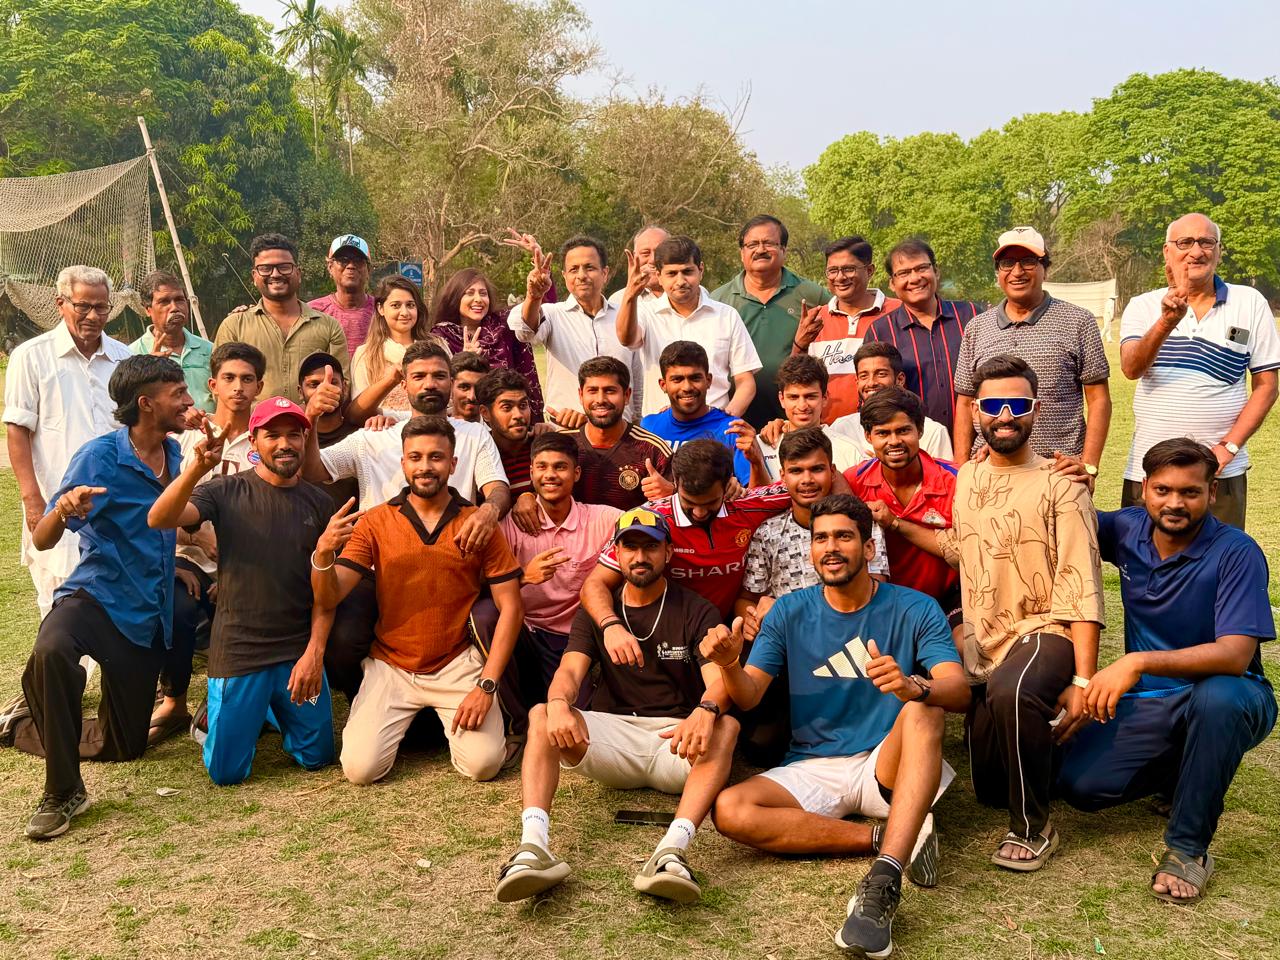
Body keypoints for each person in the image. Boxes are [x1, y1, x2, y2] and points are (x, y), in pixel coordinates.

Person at [706, 494, 969, 958]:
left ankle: (884, 880)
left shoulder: (916, 608)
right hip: (813, 762)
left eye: (844, 537)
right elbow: (748, 694)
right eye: (821, 538)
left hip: (886, 763)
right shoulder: (789, 611)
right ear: (810, 549)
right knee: (730, 809)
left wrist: (915, 686)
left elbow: (959, 691)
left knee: (924, 710)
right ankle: (891, 835)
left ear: (869, 549)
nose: (831, 547)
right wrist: (730, 666)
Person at [1057, 439, 1276, 903]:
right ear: (1143, 491)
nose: (1175, 503)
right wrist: (1054, 476)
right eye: (1162, 489)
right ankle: (1185, 768)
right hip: (1153, 701)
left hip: (1234, 695)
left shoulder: (1237, 552)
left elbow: (1235, 655)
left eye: (1190, 492)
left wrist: (1136, 661)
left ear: (1212, 492)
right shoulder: (1127, 529)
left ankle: (1188, 849)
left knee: (1217, 698)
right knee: (1081, 787)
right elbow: (1060, 523)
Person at [495, 508, 736, 905]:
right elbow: (570, 672)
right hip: (613, 738)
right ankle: (532, 849)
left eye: (650, 547)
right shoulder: (596, 613)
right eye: (630, 547)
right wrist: (557, 702)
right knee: (542, 713)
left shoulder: (696, 609)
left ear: (668, 553)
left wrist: (705, 710)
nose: (640, 557)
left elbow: (717, 682)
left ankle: (671, 853)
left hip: (675, 741)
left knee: (727, 727)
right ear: (616, 554)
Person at [2, 356, 189, 840]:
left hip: (147, 611)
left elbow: (174, 522)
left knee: (123, 745)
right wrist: (61, 510)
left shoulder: (176, 454)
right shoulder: (100, 456)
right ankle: (63, 791)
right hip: (97, 593)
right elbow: (43, 539)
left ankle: (19, 725)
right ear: (147, 404)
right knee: (52, 649)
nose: (188, 400)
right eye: (177, 393)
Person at [942, 354, 1104, 871]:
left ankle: (1034, 828)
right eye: (993, 404)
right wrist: (898, 527)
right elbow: (964, 547)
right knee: (989, 786)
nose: (1005, 415)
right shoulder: (966, 477)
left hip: (1046, 627)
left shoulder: (1063, 481)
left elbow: (1082, 583)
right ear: (975, 413)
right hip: (987, 640)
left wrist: (1083, 680)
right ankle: (1045, 732)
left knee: (1012, 690)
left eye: (1017, 404)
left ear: (1036, 409)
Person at [311, 416, 524, 784]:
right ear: (404, 463)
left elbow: (512, 608)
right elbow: (329, 595)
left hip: (457, 663)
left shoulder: (478, 523)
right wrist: (324, 553)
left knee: (484, 765)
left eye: (436, 457)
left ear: (453, 465)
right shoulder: (376, 521)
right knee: (360, 771)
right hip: (391, 665)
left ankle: (490, 726)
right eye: (416, 457)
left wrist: (487, 685)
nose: (426, 466)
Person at [148, 397, 337, 785]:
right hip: (240, 650)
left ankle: (267, 709)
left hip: (296, 652)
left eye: (293, 435)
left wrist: (314, 655)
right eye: (272, 435)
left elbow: (326, 595)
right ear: (254, 443)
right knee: (226, 773)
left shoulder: (320, 503)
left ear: (304, 439)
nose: (284, 444)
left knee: (317, 758)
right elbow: (159, 518)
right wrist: (198, 467)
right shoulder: (224, 491)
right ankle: (231, 709)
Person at [1117, 213, 1279, 528]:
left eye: (1207, 242)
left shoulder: (1249, 303)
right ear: (1167, 252)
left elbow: (1267, 387)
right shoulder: (1143, 305)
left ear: (1218, 251)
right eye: (1185, 242)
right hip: (1148, 473)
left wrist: (1228, 448)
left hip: (1219, 473)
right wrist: (1167, 320)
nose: (1196, 251)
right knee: (1145, 567)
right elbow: (1131, 368)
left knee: (1217, 568)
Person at [736, 428, 887, 766]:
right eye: (796, 471)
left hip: (850, 650)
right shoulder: (769, 531)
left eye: (816, 469)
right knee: (762, 747)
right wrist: (751, 616)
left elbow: (876, 598)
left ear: (832, 471)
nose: (807, 479)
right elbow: (747, 597)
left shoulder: (862, 527)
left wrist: (785, 610)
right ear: (783, 474)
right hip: (787, 656)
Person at [153, 341, 268, 745]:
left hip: (246, 563)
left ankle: (238, 700)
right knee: (177, 608)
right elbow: (161, 509)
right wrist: (195, 538)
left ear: (260, 386)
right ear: (213, 385)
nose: (238, 388)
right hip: (188, 557)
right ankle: (174, 701)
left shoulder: (266, 439)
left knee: (246, 608)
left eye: (248, 379)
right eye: (230, 379)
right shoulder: (184, 441)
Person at [3, 265, 132, 621]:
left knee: (116, 596)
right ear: (60, 303)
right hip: (58, 499)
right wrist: (32, 499)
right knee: (60, 601)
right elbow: (18, 430)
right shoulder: (31, 356)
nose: (93, 315)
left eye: (101, 307)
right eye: (83, 306)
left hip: (116, 501)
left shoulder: (123, 358)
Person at [580, 439, 790, 630]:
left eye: (710, 503)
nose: (699, 513)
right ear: (676, 484)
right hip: (663, 632)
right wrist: (611, 627)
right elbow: (594, 584)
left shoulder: (747, 505)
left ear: (728, 485)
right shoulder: (646, 519)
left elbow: (806, 485)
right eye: (689, 503)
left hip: (729, 628)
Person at [953, 228, 1111, 468]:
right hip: (990, 466)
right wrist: (960, 465)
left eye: (1028, 262)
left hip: (1059, 469)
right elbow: (965, 403)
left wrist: (1088, 465)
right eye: (1007, 263)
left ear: (1044, 269)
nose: (1017, 272)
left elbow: (1099, 399)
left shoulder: (1078, 321)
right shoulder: (977, 327)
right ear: (998, 273)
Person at [303, 340, 509, 514]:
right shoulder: (372, 437)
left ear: (451, 382)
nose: (430, 384)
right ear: (404, 385)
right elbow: (311, 471)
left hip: (454, 553)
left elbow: (497, 486)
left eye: (439, 376)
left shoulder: (474, 434)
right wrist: (311, 416)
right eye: (419, 376)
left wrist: (488, 512)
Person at [499, 432, 622, 696]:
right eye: (542, 467)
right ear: (531, 472)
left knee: (575, 709)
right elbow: (487, 584)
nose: (550, 474)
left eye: (560, 467)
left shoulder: (602, 519)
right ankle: (516, 722)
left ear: (576, 473)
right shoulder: (513, 523)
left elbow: (650, 522)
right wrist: (523, 578)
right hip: (527, 630)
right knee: (486, 617)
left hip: (579, 636)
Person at [846, 388, 962, 646]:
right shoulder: (852, 481)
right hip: (882, 603)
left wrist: (895, 523)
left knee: (965, 648)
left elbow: (965, 550)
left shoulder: (957, 480)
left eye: (903, 431)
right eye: (883, 433)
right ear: (868, 437)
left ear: (920, 431)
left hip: (949, 599)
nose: (894, 441)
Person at [616, 235, 760, 418]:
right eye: (671, 273)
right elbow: (626, 338)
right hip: (661, 433)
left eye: (687, 272)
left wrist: (725, 422)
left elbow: (746, 382)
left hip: (712, 431)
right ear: (659, 276)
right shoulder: (646, 313)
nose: (680, 281)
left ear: (701, 270)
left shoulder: (726, 315)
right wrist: (630, 295)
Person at [711, 215, 827, 426]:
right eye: (752, 244)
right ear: (742, 253)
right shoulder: (719, 301)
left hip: (797, 416)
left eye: (769, 243)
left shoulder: (811, 295)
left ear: (784, 250)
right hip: (733, 417)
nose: (760, 249)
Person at [510, 235, 641, 421]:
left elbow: (636, 374)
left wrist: (638, 419)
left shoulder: (625, 316)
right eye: (573, 269)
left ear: (605, 273)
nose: (581, 276)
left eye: (589, 267)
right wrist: (534, 296)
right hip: (567, 429)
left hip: (619, 431)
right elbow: (525, 331)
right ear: (564, 276)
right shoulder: (554, 314)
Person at [863, 238, 983, 435]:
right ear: (892, 283)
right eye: (904, 273)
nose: (915, 278)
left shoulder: (970, 316)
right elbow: (872, 396)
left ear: (936, 271)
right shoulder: (880, 331)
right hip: (914, 447)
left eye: (921, 268)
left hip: (976, 442)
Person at [215, 233, 349, 403]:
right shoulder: (234, 326)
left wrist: (307, 414)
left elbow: (343, 386)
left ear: (298, 273)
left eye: (284, 267)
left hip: (313, 426)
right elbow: (221, 389)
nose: (276, 274)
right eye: (265, 268)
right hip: (251, 428)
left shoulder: (329, 327)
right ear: (254, 276)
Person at [792, 236, 902, 423]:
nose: (840, 277)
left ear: (869, 271)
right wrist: (799, 345)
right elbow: (796, 382)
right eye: (832, 270)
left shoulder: (898, 312)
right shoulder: (815, 319)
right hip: (828, 436)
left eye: (849, 269)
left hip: (885, 430)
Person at [640, 341, 769, 488]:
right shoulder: (648, 426)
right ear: (663, 385)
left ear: (708, 381)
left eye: (695, 378)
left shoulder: (732, 430)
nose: (687, 387)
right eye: (677, 379)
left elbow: (760, 495)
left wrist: (756, 461)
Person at [560, 356, 674, 511]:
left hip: (630, 534)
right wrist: (527, 498)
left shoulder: (653, 449)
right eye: (592, 391)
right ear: (580, 395)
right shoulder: (562, 444)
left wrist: (672, 494)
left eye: (610, 391)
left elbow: (676, 509)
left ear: (626, 395)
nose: (600, 399)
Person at [432, 268, 544, 421]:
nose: (478, 299)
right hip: (464, 424)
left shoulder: (504, 326)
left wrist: (539, 283)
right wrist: (463, 360)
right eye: (470, 293)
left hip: (509, 420)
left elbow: (531, 318)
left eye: (483, 293)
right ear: (455, 297)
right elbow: (437, 384)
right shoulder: (441, 336)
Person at [827, 342, 954, 461]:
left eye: (881, 374)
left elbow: (943, 480)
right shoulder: (841, 428)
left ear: (900, 379)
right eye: (864, 376)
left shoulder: (933, 432)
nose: (871, 383)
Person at [754, 354, 865, 479]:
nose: (802, 406)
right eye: (794, 397)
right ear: (782, 399)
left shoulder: (850, 451)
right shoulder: (759, 447)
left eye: (810, 396)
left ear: (825, 398)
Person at [129, 270, 214, 413]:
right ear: (148, 310)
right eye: (164, 302)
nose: (174, 308)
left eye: (179, 300)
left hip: (209, 431)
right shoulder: (132, 355)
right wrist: (149, 371)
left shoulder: (209, 350)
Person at [351, 276, 438, 412]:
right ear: (381, 309)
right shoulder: (366, 354)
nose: (404, 312)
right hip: (385, 429)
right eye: (396, 305)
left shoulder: (437, 346)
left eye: (410, 305)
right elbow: (356, 411)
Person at [308, 234, 376, 351]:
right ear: (330, 267)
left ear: (368, 269)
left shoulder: (383, 311)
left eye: (358, 261)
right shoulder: (313, 312)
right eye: (343, 260)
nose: (350, 266)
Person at [477, 368, 535, 498]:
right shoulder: (480, 454)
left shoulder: (543, 447)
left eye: (523, 405)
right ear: (485, 413)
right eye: (507, 407)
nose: (518, 415)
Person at [606, 224, 668, 309]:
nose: (653, 260)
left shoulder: (687, 294)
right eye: (645, 253)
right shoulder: (618, 300)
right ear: (634, 256)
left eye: (660, 252)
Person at [449, 351, 491, 423]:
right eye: (464, 387)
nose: (472, 397)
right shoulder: (433, 427)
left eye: (478, 388)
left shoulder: (496, 431)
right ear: (450, 386)